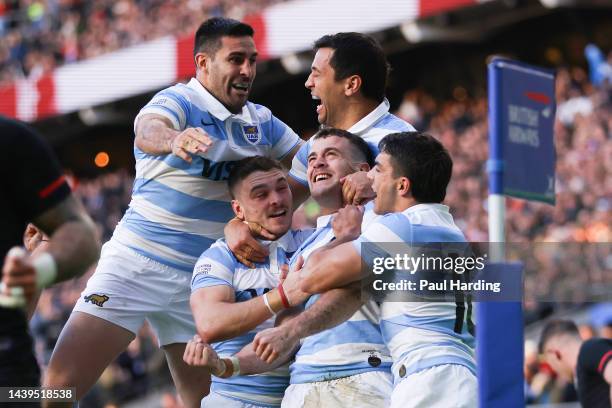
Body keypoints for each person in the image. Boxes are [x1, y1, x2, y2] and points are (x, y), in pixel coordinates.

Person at [44, 17, 302, 408]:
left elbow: (308, 168)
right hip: (135, 266)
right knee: (56, 390)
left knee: (204, 402)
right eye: (236, 59)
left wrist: (251, 222)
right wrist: (174, 139)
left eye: (252, 59)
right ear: (203, 63)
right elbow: (148, 129)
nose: (247, 70)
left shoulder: (261, 121)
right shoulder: (179, 102)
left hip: (201, 281)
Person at [293, 132, 477, 407]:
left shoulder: (403, 228)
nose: (369, 179)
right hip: (460, 374)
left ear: (402, 186)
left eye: (378, 170)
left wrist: (345, 235)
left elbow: (312, 276)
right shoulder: (451, 231)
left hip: (428, 378)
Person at [226, 32, 416, 262]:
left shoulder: (401, 140)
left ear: (351, 85)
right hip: (335, 268)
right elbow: (276, 200)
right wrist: (239, 224)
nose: (308, 83)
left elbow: (421, 206)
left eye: (317, 74)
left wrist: (378, 180)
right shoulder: (317, 146)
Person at [189, 156, 313, 407]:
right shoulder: (219, 256)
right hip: (237, 399)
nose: (276, 199)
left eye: (282, 187)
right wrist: (282, 296)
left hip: (304, 396)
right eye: (260, 194)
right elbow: (210, 323)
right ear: (238, 210)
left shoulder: (313, 241)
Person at [0, 117, 99, 402]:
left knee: (61, 395)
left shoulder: (11, 141)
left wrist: (38, 267)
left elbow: (82, 233)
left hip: (9, 381)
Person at [539, 319, 612, 408]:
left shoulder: (588, 349)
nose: (554, 369)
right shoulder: (582, 370)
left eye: (550, 364)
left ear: (555, 354)